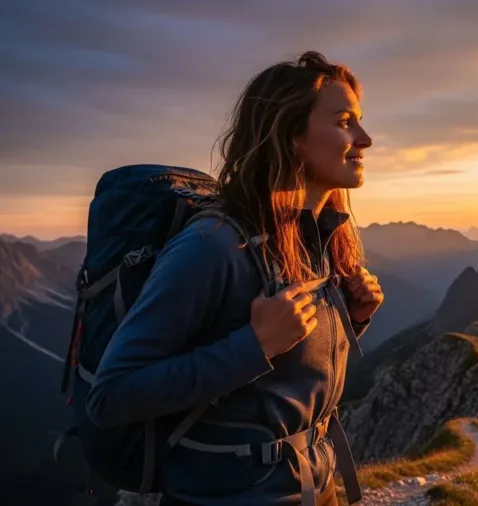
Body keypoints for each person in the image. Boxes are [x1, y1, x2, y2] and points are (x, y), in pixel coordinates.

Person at [85, 51, 383, 506]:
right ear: (291, 135)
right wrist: (254, 346)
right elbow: (111, 396)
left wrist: (353, 318)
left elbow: (285, 377)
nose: (365, 139)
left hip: (314, 486)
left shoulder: (317, 239)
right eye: (345, 122)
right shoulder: (215, 246)